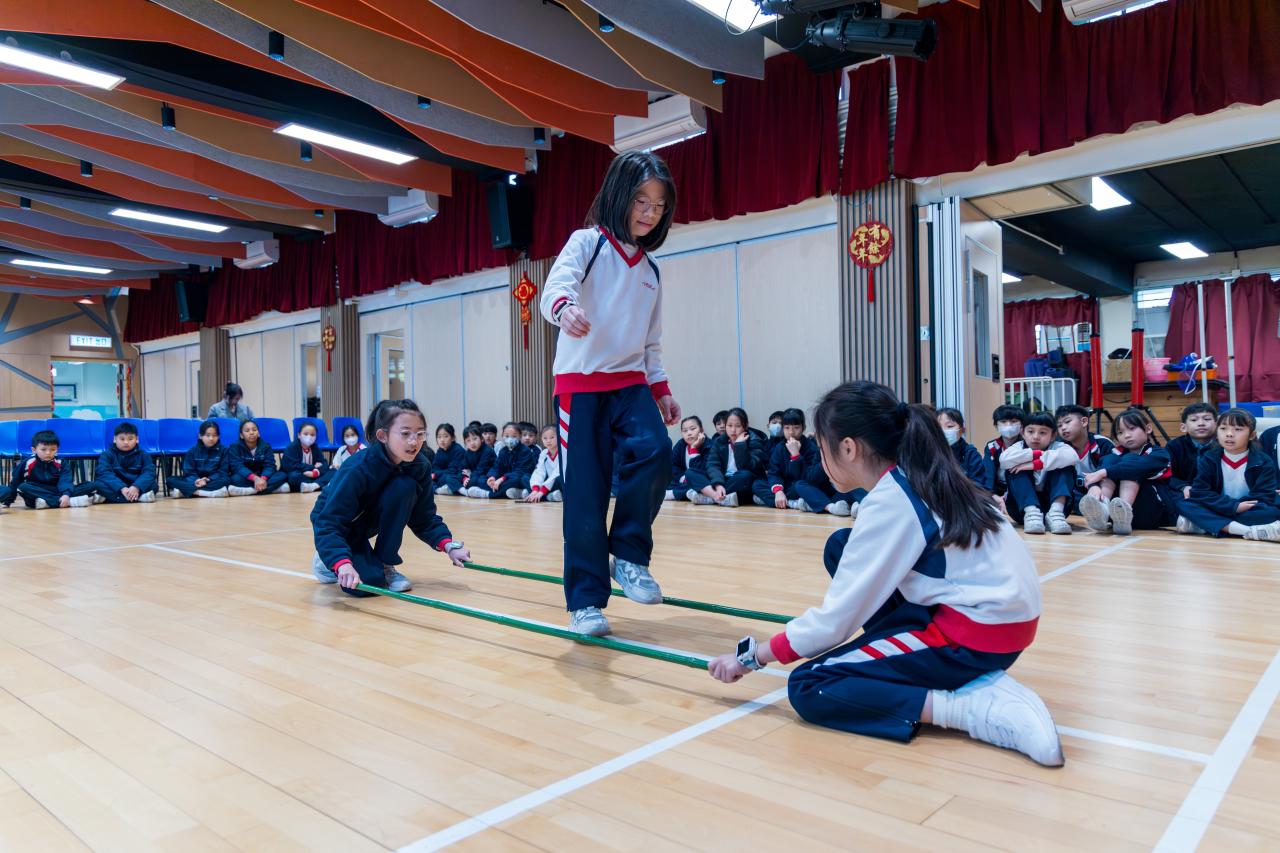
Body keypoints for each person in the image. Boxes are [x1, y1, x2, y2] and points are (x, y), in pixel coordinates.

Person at [706, 382, 1062, 767]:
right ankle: (925, 668)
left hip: (977, 636)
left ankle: (969, 706)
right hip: (1001, 619)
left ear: (848, 448)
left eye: (822, 448)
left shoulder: (893, 501)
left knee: (811, 685)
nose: (821, 459)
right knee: (841, 546)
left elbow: (834, 623)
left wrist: (752, 657)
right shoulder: (921, 472)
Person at [539, 149, 680, 637]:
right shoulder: (588, 243)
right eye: (641, 201)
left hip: (630, 383)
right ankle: (585, 601)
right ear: (620, 195)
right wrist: (565, 309)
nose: (649, 213)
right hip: (580, 388)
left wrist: (661, 389)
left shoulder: (651, 272)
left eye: (659, 206)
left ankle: (629, 555)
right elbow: (554, 289)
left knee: (656, 452)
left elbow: (651, 341)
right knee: (586, 494)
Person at [311, 399, 472, 595]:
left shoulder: (420, 466)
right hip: (338, 525)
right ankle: (325, 560)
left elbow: (424, 517)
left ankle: (386, 563)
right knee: (368, 584)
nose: (414, 441)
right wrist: (341, 562)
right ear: (383, 436)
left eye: (419, 434)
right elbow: (328, 522)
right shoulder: (357, 468)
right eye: (405, 434)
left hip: (369, 518)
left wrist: (448, 545)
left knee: (404, 486)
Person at [1176, 408, 1280, 541]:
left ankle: (1204, 526)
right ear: (1217, 432)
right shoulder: (1209, 458)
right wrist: (1232, 507)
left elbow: (1264, 496)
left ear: (1252, 435)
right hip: (1220, 505)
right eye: (1223, 428)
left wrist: (1239, 507)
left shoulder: (1263, 461)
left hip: (1249, 509)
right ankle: (1246, 531)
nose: (1229, 434)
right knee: (1185, 504)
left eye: (1238, 429)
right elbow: (1200, 492)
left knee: (1272, 512)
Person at [1080, 408, 1176, 534]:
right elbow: (1095, 476)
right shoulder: (1113, 455)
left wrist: (1103, 473)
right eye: (1120, 432)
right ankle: (1103, 508)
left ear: (1148, 429)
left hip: (1151, 512)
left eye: (1132, 428)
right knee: (1110, 459)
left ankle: (1125, 509)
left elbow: (1133, 467)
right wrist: (1093, 487)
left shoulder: (1160, 454)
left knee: (1130, 461)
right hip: (1114, 515)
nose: (1127, 435)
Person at [755, 408, 846, 514]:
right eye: (787, 428)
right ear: (783, 429)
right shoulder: (780, 447)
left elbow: (807, 478)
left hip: (802, 486)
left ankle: (790, 502)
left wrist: (796, 456)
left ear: (803, 428)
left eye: (796, 427)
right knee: (757, 484)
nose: (791, 432)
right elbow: (774, 472)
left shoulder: (810, 447)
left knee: (800, 485)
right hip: (786, 488)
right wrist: (778, 492)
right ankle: (792, 503)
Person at [997, 412, 1076, 535]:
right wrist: (1035, 454)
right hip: (1021, 509)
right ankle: (1032, 512)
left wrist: (1035, 464)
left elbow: (1073, 457)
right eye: (1030, 431)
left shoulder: (1059, 447)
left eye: (1042, 433)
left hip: (1054, 507)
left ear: (1053, 435)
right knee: (1013, 468)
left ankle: (1056, 512)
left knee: (1065, 466)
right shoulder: (1017, 447)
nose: (1036, 436)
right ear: (1022, 432)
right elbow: (1003, 460)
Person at [0, 429, 93, 509]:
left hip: (56, 490)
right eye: (43, 449)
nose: (48, 453)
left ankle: (49, 503)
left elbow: (65, 480)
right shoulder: (27, 463)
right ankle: (70, 502)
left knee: (90, 485)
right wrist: (8, 502)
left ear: (57, 449)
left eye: (52, 449)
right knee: (23, 487)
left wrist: (66, 494)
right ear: (34, 450)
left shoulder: (61, 462)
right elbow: (15, 482)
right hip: (37, 492)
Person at [1053, 404, 1116, 515]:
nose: (1063, 428)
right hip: (1078, 494)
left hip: (1104, 490)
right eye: (1059, 425)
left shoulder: (1103, 443)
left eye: (1067, 422)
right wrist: (1092, 486)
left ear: (1084, 422)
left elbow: (1111, 470)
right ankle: (1092, 511)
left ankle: (1102, 507)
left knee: (1111, 461)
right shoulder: (1060, 447)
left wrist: (1095, 486)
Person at [705, 408, 765, 508]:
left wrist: (740, 445)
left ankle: (711, 497)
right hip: (723, 479)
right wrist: (718, 485)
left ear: (746, 426)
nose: (733, 430)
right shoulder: (719, 441)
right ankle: (718, 495)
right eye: (729, 425)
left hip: (740, 480)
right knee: (692, 473)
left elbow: (747, 467)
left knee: (745, 475)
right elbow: (713, 464)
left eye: (738, 426)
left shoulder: (755, 441)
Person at [468, 421, 537, 499]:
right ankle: (517, 493)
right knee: (481, 479)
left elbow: (520, 472)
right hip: (505, 480)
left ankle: (488, 494)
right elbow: (497, 467)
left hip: (516, 478)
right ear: (502, 436)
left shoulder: (525, 450)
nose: (510, 439)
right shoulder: (503, 451)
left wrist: (502, 479)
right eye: (507, 436)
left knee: (519, 479)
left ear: (520, 436)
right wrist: (492, 477)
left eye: (514, 436)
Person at [93, 421, 157, 504]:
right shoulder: (107, 454)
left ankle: (110, 498)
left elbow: (149, 472)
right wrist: (122, 487)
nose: (126, 442)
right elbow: (104, 473)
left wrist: (136, 486)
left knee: (153, 485)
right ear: (115, 439)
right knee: (98, 484)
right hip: (116, 486)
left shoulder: (144, 455)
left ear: (137, 439)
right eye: (122, 439)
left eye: (130, 439)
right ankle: (139, 498)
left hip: (135, 485)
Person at [1166, 402, 1218, 500]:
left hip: (1216, 493)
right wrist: (1183, 486)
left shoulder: (1223, 445)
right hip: (1185, 493)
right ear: (1183, 427)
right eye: (1194, 420)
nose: (1201, 423)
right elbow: (1167, 474)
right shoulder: (1174, 446)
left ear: (1217, 424)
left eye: (1207, 419)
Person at [169, 420, 230, 498]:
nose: (211, 438)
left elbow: (223, 471)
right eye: (208, 435)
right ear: (200, 436)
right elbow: (189, 472)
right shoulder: (192, 451)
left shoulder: (224, 450)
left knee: (227, 480)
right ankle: (206, 493)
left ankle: (187, 492)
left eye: (214, 435)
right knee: (170, 480)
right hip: (195, 482)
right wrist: (197, 480)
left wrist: (208, 479)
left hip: (212, 480)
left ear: (218, 436)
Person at [226, 419, 288, 496]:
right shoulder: (235, 447)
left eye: (254, 430)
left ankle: (251, 490)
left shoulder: (266, 446)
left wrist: (263, 479)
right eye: (247, 431)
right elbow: (237, 467)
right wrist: (255, 478)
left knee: (282, 475)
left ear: (258, 433)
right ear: (241, 435)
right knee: (234, 479)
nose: (251, 433)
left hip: (262, 476)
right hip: (246, 477)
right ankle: (271, 488)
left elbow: (270, 466)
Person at [667, 415, 716, 503]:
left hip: (703, 479)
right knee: (664, 481)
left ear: (701, 430)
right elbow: (673, 465)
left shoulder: (710, 446)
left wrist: (694, 448)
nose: (689, 433)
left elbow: (702, 470)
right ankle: (692, 494)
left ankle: (674, 494)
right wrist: (682, 478)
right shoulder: (681, 445)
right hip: (684, 480)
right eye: (685, 431)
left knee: (696, 480)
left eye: (692, 429)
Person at [981, 405, 1026, 497]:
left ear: (1021, 425)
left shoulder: (1026, 445)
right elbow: (988, 473)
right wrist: (991, 495)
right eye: (1003, 421)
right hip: (997, 489)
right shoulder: (992, 446)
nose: (1008, 425)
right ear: (996, 426)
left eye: (1013, 421)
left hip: (1021, 490)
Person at [937, 408, 985, 487]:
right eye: (938, 427)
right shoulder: (931, 452)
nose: (943, 431)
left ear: (962, 430)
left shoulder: (970, 453)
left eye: (949, 426)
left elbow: (978, 483)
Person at [282, 422, 333, 493]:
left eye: (312, 435)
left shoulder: (315, 448)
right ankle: (318, 484)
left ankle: (313, 486)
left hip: (313, 474)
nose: (309, 437)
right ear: (299, 435)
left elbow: (324, 463)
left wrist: (315, 473)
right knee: (293, 476)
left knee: (333, 471)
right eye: (305, 434)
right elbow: (293, 466)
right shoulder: (291, 447)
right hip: (300, 474)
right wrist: (313, 467)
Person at [526, 425, 564, 503]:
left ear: (559, 437)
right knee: (525, 478)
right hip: (548, 483)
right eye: (545, 438)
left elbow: (557, 472)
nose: (548, 441)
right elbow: (539, 471)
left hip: (558, 481)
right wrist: (535, 489)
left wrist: (542, 491)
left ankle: (543, 495)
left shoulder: (563, 452)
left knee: (559, 479)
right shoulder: (544, 453)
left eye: (552, 437)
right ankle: (547, 496)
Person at [459, 425, 497, 494]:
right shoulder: (468, 452)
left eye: (475, 439)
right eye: (468, 440)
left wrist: (470, 475)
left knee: (480, 480)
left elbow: (481, 470)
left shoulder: (487, 451)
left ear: (482, 439)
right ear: (465, 442)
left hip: (487, 475)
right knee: (451, 477)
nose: (472, 443)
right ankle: (465, 490)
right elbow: (463, 468)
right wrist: (464, 478)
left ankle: (483, 493)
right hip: (474, 475)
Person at [431, 424, 466, 496]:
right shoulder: (439, 451)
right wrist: (434, 475)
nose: (442, 440)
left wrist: (436, 475)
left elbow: (453, 470)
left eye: (445, 436)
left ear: (453, 438)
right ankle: (438, 490)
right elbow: (434, 468)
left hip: (455, 476)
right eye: (439, 437)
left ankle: (443, 489)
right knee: (427, 478)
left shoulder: (458, 450)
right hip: (442, 476)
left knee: (449, 478)